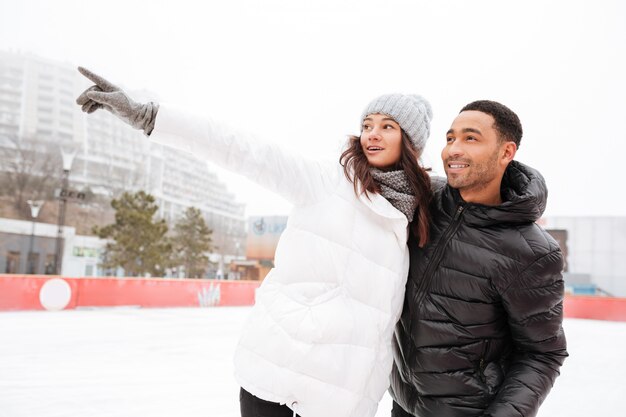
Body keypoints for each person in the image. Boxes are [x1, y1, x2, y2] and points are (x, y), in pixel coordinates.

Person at [75, 67, 434, 417]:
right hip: (279, 371)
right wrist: (151, 118)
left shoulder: (417, 212)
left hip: (343, 393)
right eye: (367, 125)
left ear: (411, 143)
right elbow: (246, 150)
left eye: (387, 127)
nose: (372, 134)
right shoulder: (327, 182)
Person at [389, 100, 568, 417]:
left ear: (506, 152)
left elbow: (542, 353)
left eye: (470, 138)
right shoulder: (422, 200)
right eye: (450, 138)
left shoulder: (531, 252)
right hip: (402, 402)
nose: (453, 149)